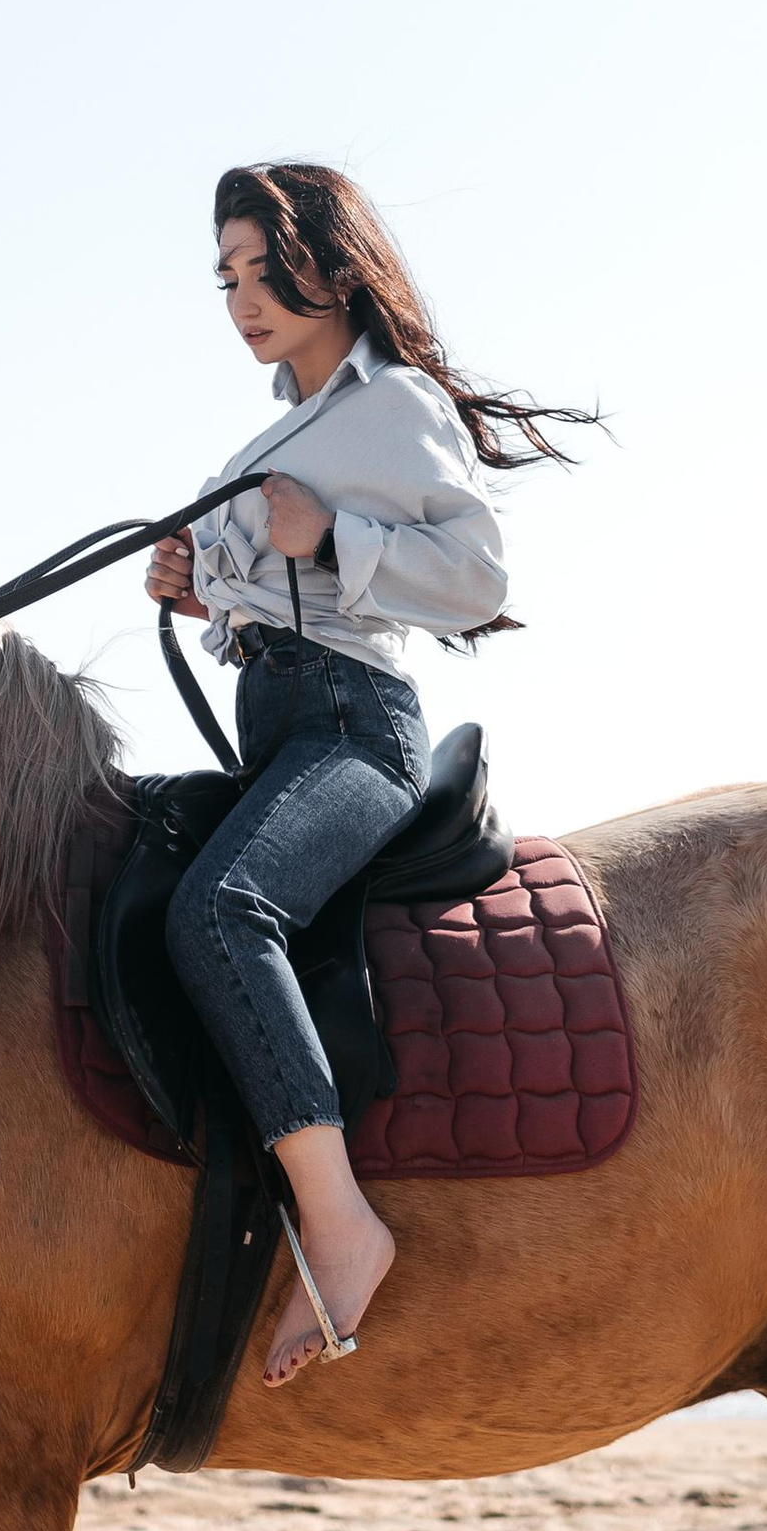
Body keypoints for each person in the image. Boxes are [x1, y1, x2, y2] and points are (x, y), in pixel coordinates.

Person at [147, 162, 588, 1388]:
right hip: (273, 722)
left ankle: (341, 1226)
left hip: (354, 727)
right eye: (224, 277)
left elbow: (480, 579)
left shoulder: (394, 405)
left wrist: (329, 537)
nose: (240, 298)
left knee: (224, 911)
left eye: (261, 270)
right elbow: (256, 602)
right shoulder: (257, 444)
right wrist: (197, 591)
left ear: (334, 269)